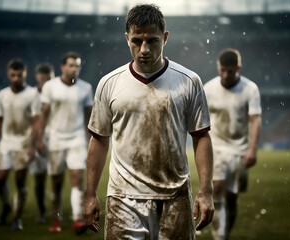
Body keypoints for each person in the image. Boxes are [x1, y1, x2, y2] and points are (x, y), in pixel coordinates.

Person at [83, 4, 214, 239]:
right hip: (123, 197)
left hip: (175, 197)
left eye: (152, 41)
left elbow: (201, 137)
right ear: (127, 39)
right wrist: (90, 193)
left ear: (165, 38)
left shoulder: (189, 81)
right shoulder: (109, 83)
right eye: (136, 41)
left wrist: (206, 192)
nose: (144, 49)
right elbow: (100, 140)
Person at [204, 49, 262, 240]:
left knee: (231, 198)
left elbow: (255, 119)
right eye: (222, 70)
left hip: (240, 150)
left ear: (239, 68)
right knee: (217, 189)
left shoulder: (250, 89)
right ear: (218, 68)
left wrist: (252, 149)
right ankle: (219, 237)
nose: (226, 75)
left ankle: (226, 233)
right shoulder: (208, 89)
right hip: (216, 147)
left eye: (230, 71)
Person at [37, 52, 93, 234]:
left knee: (77, 179)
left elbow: (88, 117)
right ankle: (56, 218)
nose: (74, 69)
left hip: (77, 138)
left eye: (77, 66)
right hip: (55, 139)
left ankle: (77, 219)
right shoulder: (50, 87)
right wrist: (40, 139)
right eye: (71, 65)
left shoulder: (86, 88)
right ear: (62, 67)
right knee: (57, 183)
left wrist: (89, 139)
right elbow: (43, 114)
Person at [0, 58, 40, 231]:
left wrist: (32, 145)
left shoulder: (33, 94)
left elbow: (36, 122)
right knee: (0, 179)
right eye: (13, 75)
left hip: (24, 144)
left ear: (25, 74)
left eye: (20, 75)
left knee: (20, 181)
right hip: (6, 143)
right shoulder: (2, 95)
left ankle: (17, 218)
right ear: (8, 74)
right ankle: (6, 205)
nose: (16, 78)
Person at [28, 63, 55, 224]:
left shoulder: (57, 92)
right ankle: (43, 212)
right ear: (37, 78)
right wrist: (36, 142)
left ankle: (54, 214)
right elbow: (34, 120)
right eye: (42, 79)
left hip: (56, 139)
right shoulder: (32, 95)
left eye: (48, 79)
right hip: (39, 140)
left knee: (55, 178)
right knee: (39, 179)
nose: (45, 82)